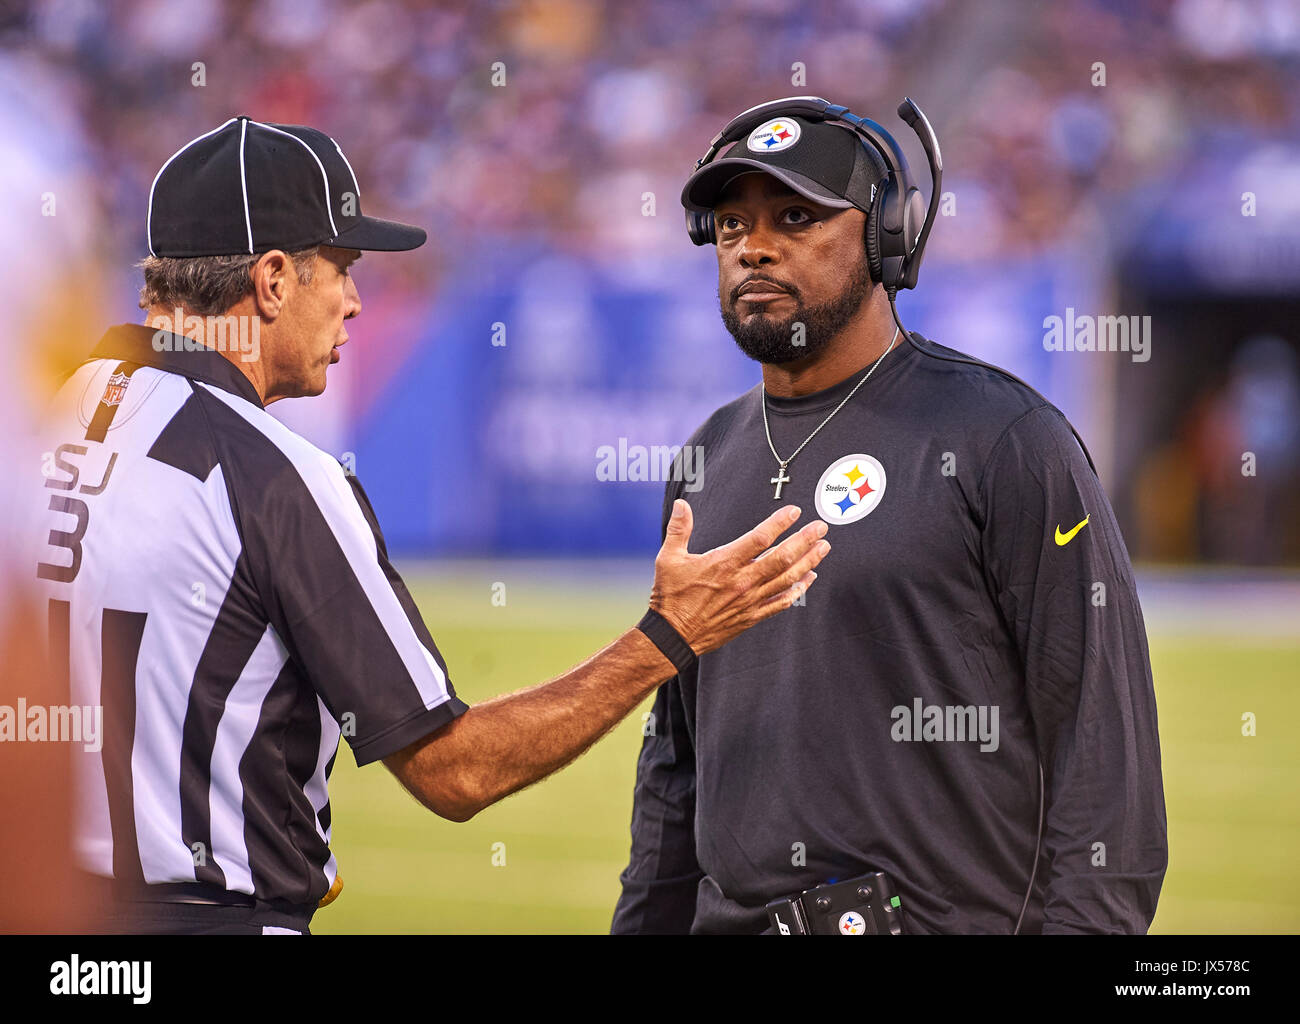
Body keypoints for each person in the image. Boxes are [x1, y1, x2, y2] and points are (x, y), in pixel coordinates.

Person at [30, 117, 830, 935]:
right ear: (273, 280)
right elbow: (457, 772)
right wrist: (670, 634)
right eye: (340, 267)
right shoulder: (279, 478)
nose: (353, 301)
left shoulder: (39, 416)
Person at [611, 99, 1167, 934]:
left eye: (796, 217)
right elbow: (674, 769)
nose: (753, 246)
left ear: (887, 236)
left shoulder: (1008, 440)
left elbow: (1104, 759)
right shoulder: (705, 458)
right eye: (731, 225)